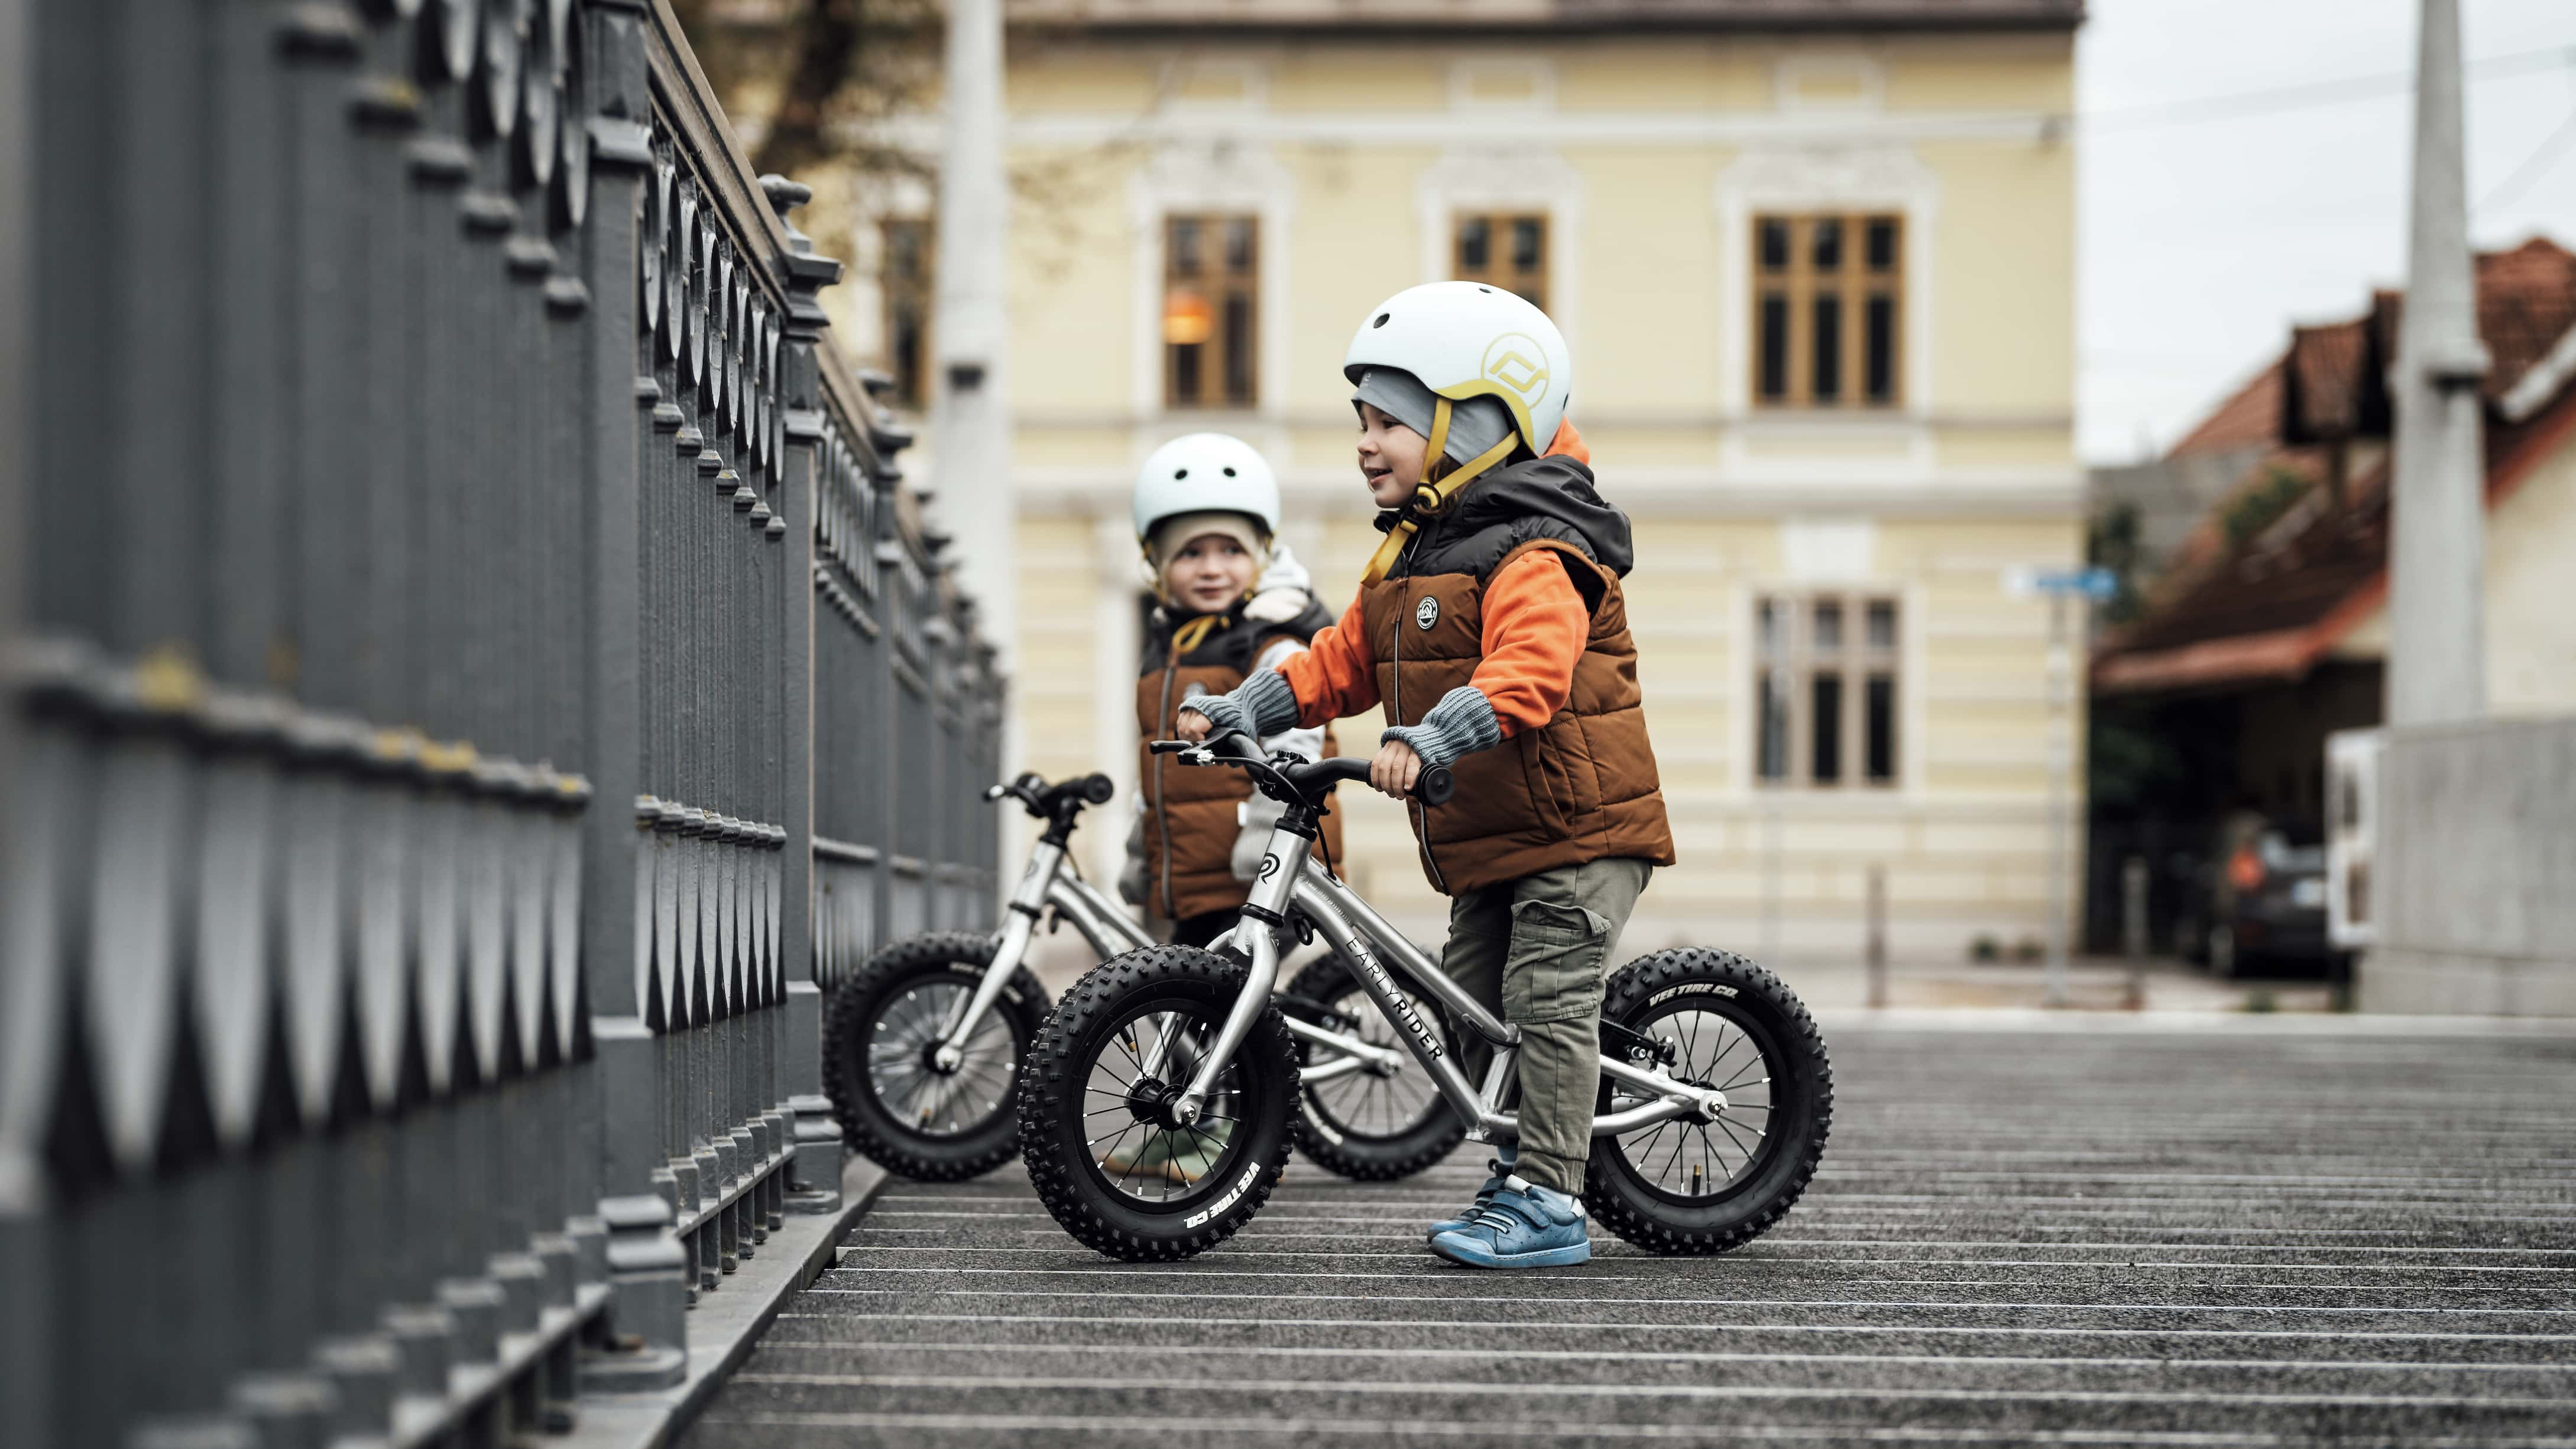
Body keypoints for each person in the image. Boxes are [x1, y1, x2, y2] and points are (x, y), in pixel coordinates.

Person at [1175, 283, 1675, 1268]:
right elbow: (1338, 663)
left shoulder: (1540, 547)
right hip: (1494, 836)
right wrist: (1245, 711)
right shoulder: (1410, 556)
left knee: (1544, 1001)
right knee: (1471, 1008)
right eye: (1360, 419)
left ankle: (1546, 1203)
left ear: (1480, 423)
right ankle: (1523, 1162)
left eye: (1390, 420)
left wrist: (1436, 737)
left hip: (1579, 831)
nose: (1365, 442)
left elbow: (1528, 671)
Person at [1121, 432, 1342, 950]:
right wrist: (1140, 849)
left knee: (1226, 1016)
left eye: (1231, 549)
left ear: (1261, 555)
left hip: (1258, 875)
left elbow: (1299, 742)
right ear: (1157, 564)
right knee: (1202, 1013)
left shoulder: (1272, 637)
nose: (1212, 568)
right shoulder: (1166, 651)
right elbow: (1156, 765)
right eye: (1190, 552)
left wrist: (1267, 834)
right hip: (1197, 882)